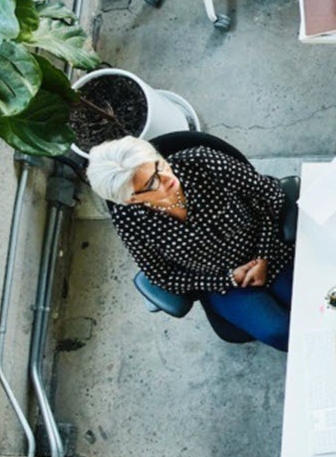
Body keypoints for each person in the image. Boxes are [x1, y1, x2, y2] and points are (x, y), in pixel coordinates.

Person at [86, 136, 295, 351]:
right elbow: (161, 275)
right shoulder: (128, 219)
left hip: (268, 249)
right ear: (132, 199)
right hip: (221, 283)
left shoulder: (203, 162)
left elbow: (272, 195)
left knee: (319, 306)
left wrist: (263, 255)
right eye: (151, 183)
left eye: (158, 164)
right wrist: (228, 279)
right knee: (279, 331)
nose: (166, 176)